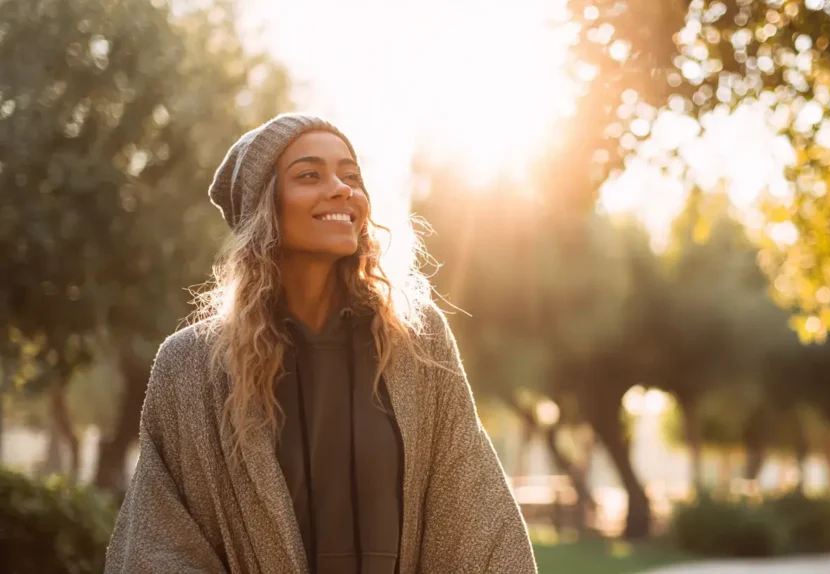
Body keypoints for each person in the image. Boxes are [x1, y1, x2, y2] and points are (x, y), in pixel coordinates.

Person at [105, 113, 537, 574]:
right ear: (263, 207)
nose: (341, 189)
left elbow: (475, 515)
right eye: (309, 175)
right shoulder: (193, 364)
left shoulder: (415, 342)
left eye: (351, 176)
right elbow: (159, 544)